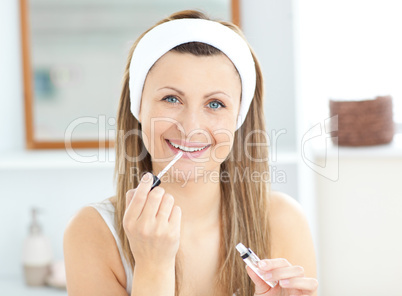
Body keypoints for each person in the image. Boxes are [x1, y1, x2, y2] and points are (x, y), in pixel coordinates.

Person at [63, 10, 318, 296]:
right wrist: (153, 266)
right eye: (171, 99)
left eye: (215, 104)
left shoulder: (283, 221)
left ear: (238, 119)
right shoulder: (91, 234)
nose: (191, 127)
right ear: (139, 110)